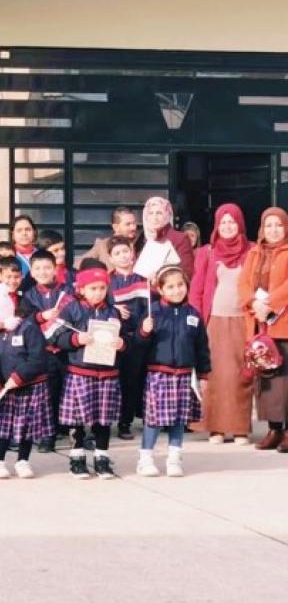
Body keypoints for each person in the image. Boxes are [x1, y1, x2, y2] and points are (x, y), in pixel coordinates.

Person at [135, 266, 211, 477]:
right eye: (170, 287)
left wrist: (203, 374)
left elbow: (202, 348)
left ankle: (174, 458)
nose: (176, 290)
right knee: (154, 419)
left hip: (184, 375)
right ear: (160, 289)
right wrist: (144, 332)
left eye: (180, 285)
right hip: (159, 373)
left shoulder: (193, 314)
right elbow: (138, 345)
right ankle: (145, 458)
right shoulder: (153, 312)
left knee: (179, 418)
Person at [189, 204, 253, 445]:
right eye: (223, 222)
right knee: (214, 376)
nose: (227, 226)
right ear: (217, 225)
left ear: (240, 224)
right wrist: (195, 322)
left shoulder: (252, 251)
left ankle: (239, 429)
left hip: (243, 321)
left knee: (240, 377)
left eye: (232, 222)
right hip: (214, 321)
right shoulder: (207, 252)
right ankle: (215, 428)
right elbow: (196, 290)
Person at [54, 266, 126, 479]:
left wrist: (122, 344)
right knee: (76, 419)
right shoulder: (71, 310)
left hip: (107, 374)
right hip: (80, 372)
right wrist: (76, 339)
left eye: (102, 288)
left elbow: (126, 339)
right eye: (93, 288)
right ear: (82, 289)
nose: (98, 293)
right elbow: (57, 337)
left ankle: (102, 459)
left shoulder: (113, 312)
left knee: (103, 419)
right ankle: (77, 460)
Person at [0, 283, 52, 479]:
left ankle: (23, 460)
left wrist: (18, 376)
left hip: (31, 385)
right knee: (4, 425)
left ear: (1, 315)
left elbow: (37, 358)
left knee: (26, 426)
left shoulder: (28, 329)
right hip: (7, 388)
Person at [238, 207, 288, 452]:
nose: (273, 230)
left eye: (278, 225)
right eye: (269, 225)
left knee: (285, 383)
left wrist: (269, 303)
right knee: (267, 382)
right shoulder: (254, 253)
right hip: (261, 326)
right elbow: (244, 283)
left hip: (284, 325)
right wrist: (253, 303)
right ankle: (274, 429)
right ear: (261, 229)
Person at [17, 248, 72, 453]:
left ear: (55, 269)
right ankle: (48, 435)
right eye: (38, 268)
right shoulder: (29, 295)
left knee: (70, 392)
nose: (43, 272)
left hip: (67, 349)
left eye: (47, 267)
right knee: (47, 394)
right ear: (31, 272)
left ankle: (74, 432)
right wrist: (42, 317)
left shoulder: (68, 292)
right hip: (43, 351)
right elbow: (26, 319)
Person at [108, 236, 149, 440]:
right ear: (111, 258)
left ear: (132, 253)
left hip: (137, 337)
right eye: (117, 253)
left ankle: (126, 422)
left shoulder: (143, 279)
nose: (123, 256)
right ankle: (105, 422)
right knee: (113, 381)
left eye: (126, 251)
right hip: (114, 338)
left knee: (132, 381)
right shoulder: (107, 281)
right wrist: (113, 308)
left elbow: (150, 308)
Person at [141, 196, 195, 279]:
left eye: (159, 213)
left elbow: (187, 272)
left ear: (167, 215)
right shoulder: (144, 239)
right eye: (151, 213)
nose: (154, 218)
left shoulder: (180, 238)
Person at [79, 206, 141, 271]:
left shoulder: (140, 244)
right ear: (116, 227)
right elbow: (79, 264)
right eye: (128, 224)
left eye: (134, 223)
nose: (133, 228)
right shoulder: (102, 246)